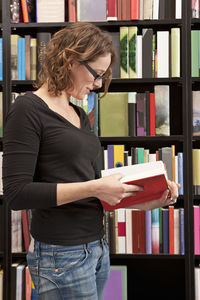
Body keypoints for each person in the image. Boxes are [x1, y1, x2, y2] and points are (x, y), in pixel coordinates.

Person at [3, 22, 179, 300]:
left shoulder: (79, 114)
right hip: (60, 255)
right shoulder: (27, 109)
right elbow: (16, 194)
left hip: (96, 248)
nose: (98, 84)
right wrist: (95, 187)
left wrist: (148, 200)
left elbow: (94, 190)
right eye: (96, 74)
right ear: (71, 61)